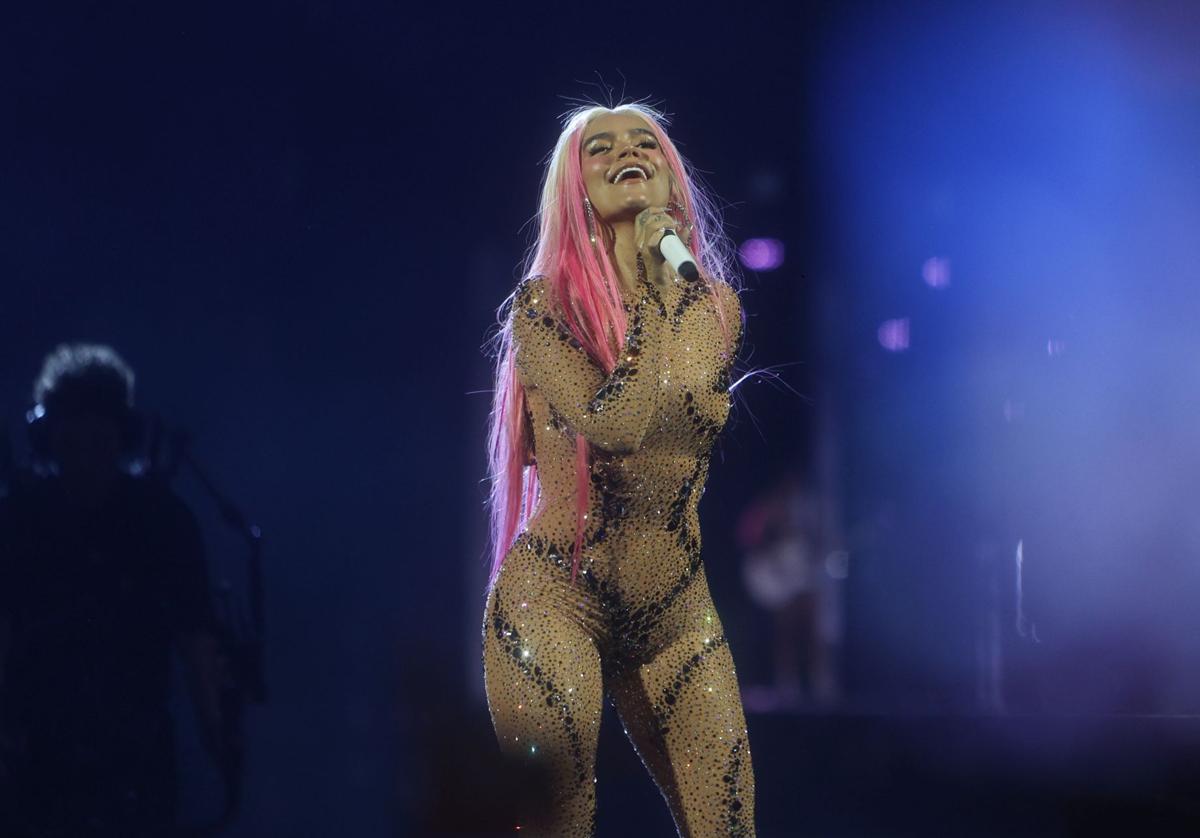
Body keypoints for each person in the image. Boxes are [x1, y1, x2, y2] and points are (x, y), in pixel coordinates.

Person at [481, 103, 755, 837]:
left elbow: (668, 399)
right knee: (558, 821)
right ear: (575, 190)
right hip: (555, 601)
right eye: (599, 150)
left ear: (671, 177)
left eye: (645, 145)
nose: (626, 154)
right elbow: (621, 424)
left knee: (727, 824)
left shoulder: (714, 307)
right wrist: (658, 301)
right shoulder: (542, 312)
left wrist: (666, 290)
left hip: (676, 608)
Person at [0, 344, 226, 837]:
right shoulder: (18, 521)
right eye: (72, 431)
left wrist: (215, 728)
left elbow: (195, 637)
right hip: (42, 758)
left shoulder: (161, 520)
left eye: (95, 432)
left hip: (126, 759)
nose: (83, 448)